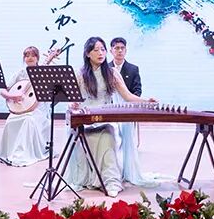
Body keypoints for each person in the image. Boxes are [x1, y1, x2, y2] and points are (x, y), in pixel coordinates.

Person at [64, 37, 157, 197]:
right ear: (87, 53)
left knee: (107, 137)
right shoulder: (80, 74)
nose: (100, 53)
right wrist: (72, 105)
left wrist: (146, 101)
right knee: (83, 138)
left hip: (105, 118)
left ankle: (111, 181)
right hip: (86, 119)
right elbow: (72, 101)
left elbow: (128, 96)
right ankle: (91, 179)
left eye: (103, 49)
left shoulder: (112, 73)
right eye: (96, 50)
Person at [0, 46, 57, 166]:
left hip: (38, 109)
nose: (30, 58)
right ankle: (10, 153)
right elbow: (3, 90)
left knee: (29, 120)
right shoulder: (20, 73)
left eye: (33, 55)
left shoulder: (44, 73)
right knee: (10, 120)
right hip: (21, 108)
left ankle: (23, 153)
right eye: (27, 55)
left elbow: (51, 93)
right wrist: (12, 96)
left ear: (38, 58)